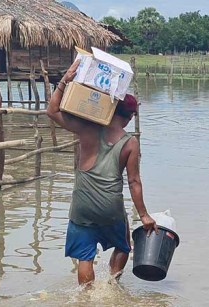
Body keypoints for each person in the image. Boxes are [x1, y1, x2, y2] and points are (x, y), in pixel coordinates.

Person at [46, 60, 158, 286]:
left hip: (82, 205)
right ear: (130, 116)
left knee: (84, 256)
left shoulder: (88, 128)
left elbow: (52, 111)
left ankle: (86, 298)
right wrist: (144, 216)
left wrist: (65, 81)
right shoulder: (130, 142)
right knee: (123, 244)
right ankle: (112, 285)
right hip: (110, 207)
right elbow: (134, 182)